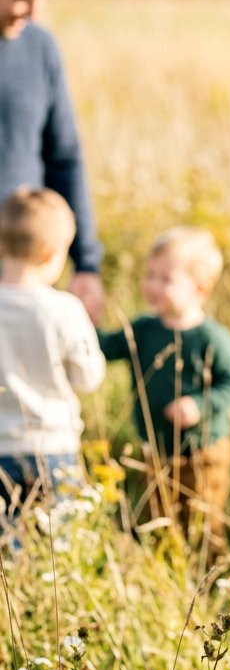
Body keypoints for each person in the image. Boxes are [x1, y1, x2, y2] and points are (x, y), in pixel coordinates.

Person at [97, 226, 230, 552]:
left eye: (166, 279)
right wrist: (82, 321)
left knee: (201, 520)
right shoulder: (143, 328)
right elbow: (107, 347)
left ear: (200, 289)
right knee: (159, 516)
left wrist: (199, 405)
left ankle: (210, 577)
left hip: (203, 451)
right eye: (150, 275)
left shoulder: (211, 338)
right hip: (156, 448)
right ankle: (165, 569)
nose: (152, 285)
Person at [0, 0, 103, 323]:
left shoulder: (41, 48)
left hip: (24, 272)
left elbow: (65, 157)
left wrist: (87, 263)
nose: (34, 12)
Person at [0, 186, 105, 517]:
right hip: (54, 448)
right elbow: (88, 378)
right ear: (50, 253)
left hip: (2, 448)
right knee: (57, 544)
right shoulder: (64, 310)